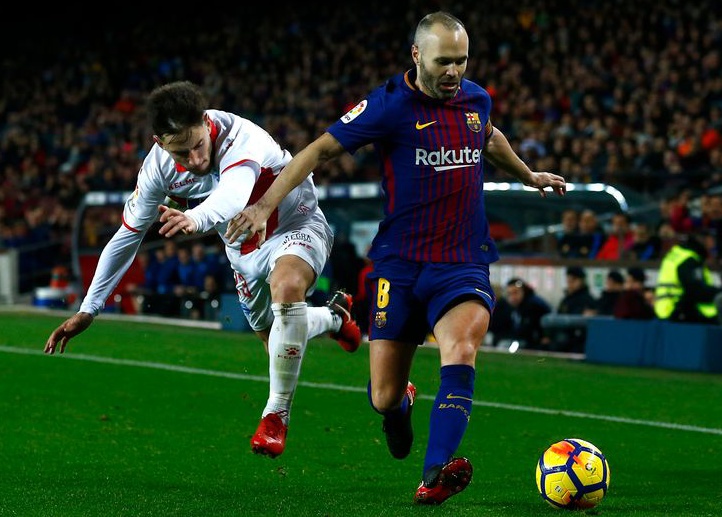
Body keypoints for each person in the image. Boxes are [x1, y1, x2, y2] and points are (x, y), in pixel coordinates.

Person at [224, 11, 566, 505]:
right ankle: (399, 405)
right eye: (444, 61)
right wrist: (263, 206)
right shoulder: (387, 106)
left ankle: (435, 473)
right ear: (417, 55)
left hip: (462, 261)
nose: (454, 71)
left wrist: (528, 175)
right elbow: (318, 151)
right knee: (384, 395)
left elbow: (489, 136)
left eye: (462, 60)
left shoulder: (476, 100)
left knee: (461, 349)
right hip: (399, 265)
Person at [42, 80, 362, 459]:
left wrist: (195, 218)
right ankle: (333, 318)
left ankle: (276, 415)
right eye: (181, 152)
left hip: (295, 222)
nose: (195, 159)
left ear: (206, 123)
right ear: (160, 143)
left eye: (198, 145)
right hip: (242, 248)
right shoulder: (157, 169)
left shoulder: (239, 136)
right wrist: (88, 308)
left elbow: (234, 194)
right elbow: (127, 235)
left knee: (288, 288)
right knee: (275, 340)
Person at [654, 232, 720, 324]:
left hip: (667, 312)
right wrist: (720, 292)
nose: (713, 244)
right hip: (681, 314)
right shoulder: (689, 260)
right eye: (711, 239)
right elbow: (696, 291)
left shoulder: (677, 254)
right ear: (702, 239)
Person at [489, 277, 552, 349]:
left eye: (515, 293)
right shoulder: (516, 306)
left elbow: (527, 332)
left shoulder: (533, 305)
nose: (512, 297)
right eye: (509, 294)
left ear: (523, 291)